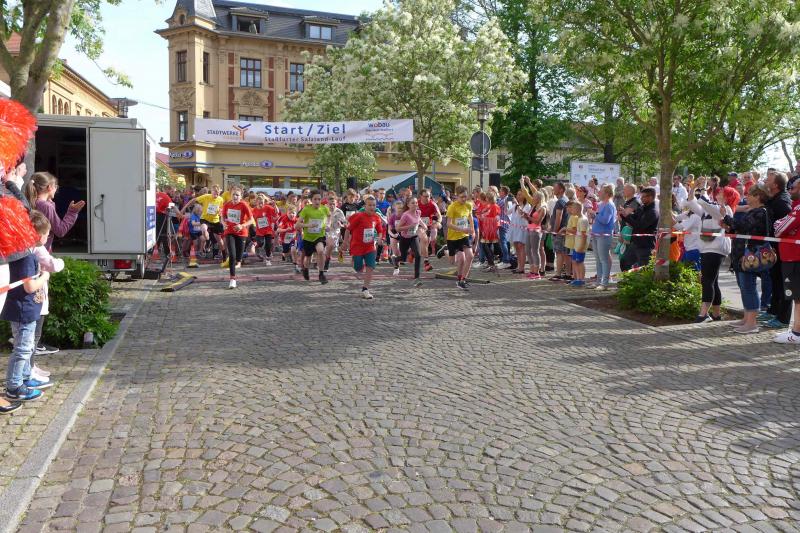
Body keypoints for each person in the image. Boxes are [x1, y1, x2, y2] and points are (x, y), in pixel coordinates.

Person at [3, 214, 53, 402]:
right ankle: (14, 386)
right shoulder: (26, 256)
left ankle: (25, 377)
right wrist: (44, 276)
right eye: (47, 234)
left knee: (27, 345)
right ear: (38, 235)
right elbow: (29, 287)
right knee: (23, 349)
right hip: (23, 310)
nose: (48, 237)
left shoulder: (24, 253)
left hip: (26, 309)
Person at [685, 188, 733, 322]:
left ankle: (704, 313)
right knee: (713, 281)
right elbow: (692, 203)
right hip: (706, 248)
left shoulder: (725, 209)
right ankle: (716, 314)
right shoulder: (708, 210)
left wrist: (702, 192)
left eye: (722, 193)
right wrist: (692, 190)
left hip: (715, 249)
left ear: (727, 197)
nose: (718, 194)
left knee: (707, 280)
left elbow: (705, 204)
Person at [762, 171, 793, 329]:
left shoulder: (782, 201)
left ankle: (782, 318)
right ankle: (773, 310)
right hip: (773, 247)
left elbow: (787, 224)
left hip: (783, 249)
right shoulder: (773, 198)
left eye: (768, 180)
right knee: (775, 280)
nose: (765, 181)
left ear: (775, 185)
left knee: (783, 283)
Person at [25, 172, 86, 252]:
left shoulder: (31, 202)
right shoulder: (46, 206)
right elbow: (60, 231)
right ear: (49, 187)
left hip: (29, 249)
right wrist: (72, 212)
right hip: (41, 251)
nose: (56, 189)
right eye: (56, 186)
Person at [773, 177, 800, 343]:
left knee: (798, 296)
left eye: (793, 188)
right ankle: (796, 329)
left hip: (796, 257)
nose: (790, 191)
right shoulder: (795, 206)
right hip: (792, 257)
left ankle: (797, 333)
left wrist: (782, 226)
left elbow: (779, 227)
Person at [344, 195, 385, 299]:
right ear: (365, 206)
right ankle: (356, 264)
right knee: (358, 267)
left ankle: (365, 289)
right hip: (357, 246)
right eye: (369, 205)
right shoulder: (359, 216)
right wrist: (345, 242)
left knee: (370, 267)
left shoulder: (376, 217)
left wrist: (380, 238)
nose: (372, 207)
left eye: (374, 205)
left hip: (370, 247)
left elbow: (380, 230)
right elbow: (348, 229)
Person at [221, 187, 254, 289]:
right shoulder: (227, 205)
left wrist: (242, 225)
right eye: (233, 194)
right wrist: (223, 223)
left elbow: (251, 220)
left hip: (241, 233)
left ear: (241, 196)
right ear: (230, 195)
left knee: (238, 256)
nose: (235, 196)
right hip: (229, 231)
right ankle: (232, 279)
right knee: (232, 255)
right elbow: (222, 217)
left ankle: (239, 260)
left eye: (237, 195)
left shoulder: (244, 205)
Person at [182, 185, 225, 260]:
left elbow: (222, 208)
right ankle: (206, 236)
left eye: (217, 192)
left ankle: (224, 255)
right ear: (211, 191)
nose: (216, 194)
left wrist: (220, 212)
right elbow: (193, 200)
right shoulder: (206, 196)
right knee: (204, 229)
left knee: (219, 240)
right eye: (214, 192)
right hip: (205, 219)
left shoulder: (221, 199)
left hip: (215, 220)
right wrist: (183, 209)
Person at [620, 187, 659, 268]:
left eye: (644, 196)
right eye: (641, 196)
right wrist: (623, 214)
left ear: (651, 197)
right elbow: (634, 217)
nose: (641, 198)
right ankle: (629, 276)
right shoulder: (642, 208)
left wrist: (627, 216)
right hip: (636, 242)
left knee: (643, 268)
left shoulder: (653, 212)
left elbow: (640, 226)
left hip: (646, 246)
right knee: (624, 262)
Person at [296, 191, 330, 284]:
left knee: (321, 251)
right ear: (311, 200)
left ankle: (321, 274)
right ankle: (306, 269)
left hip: (320, 236)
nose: (317, 201)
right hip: (308, 237)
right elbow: (297, 225)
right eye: (315, 199)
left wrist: (328, 225)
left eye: (319, 199)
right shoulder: (306, 209)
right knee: (308, 257)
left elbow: (329, 217)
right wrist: (308, 225)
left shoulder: (324, 208)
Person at [446, 185, 476, 290]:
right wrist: (462, 229)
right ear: (456, 196)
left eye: (465, 196)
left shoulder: (468, 205)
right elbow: (448, 224)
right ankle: (445, 250)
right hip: (453, 237)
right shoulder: (452, 207)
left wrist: (473, 230)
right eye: (461, 197)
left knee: (469, 256)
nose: (464, 199)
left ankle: (462, 280)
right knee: (453, 261)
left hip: (464, 236)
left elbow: (470, 217)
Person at [394, 196, 426, 285]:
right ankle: (396, 259)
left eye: (416, 202)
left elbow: (419, 220)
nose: (415, 204)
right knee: (403, 258)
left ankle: (417, 277)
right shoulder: (405, 215)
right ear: (408, 205)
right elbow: (398, 229)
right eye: (413, 203)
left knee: (418, 255)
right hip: (404, 238)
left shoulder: (418, 212)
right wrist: (409, 226)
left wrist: (424, 225)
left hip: (414, 237)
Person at [591, 184, 617, 290]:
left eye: (601, 191)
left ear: (606, 194)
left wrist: (595, 214)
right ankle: (599, 282)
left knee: (604, 259)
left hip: (604, 235)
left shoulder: (609, 205)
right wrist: (594, 214)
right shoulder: (601, 204)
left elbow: (605, 220)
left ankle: (604, 283)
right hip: (596, 234)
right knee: (598, 259)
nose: (599, 193)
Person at [549, 182, 571, 280]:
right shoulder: (565, 200)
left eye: (555, 188)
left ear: (561, 189)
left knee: (559, 253)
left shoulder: (560, 201)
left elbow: (559, 217)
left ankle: (558, 274)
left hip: (560, 231)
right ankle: (567, 273)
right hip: (563, 230)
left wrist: (555, 231)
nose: (553, 189)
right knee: (565, 253)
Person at [565, 201, 590, 287]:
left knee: (580, 262)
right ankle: (578, 278)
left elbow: (584, 235)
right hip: (577, 244)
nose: (571, 210)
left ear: (577, 209)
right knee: (576, 262)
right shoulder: (579, 219)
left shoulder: (583, 220)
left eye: (572, 209)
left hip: (580, 246)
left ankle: (581, 279)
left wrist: (581, 246)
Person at [477, 190, 502, 274]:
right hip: (487, 228)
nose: (486, 198)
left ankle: (491, 264)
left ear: (489, 198)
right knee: (486, 246)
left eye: (487, 197)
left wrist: (483, 217)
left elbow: (495, 218)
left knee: (486, 246)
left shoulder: (494, 206)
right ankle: (490, 264)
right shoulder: (490, 206)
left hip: (490, 229)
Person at [508, 189, 531, 275]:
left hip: (522, 228)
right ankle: (518, 266)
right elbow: (507, 212)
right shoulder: (515, 205)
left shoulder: (527, 206)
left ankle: (522, 267)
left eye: (520, 194)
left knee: (521, 247)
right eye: (517, 194)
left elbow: (522, 214)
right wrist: (507, 202)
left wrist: (517, 205)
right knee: (516, 247)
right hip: (515, 228)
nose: (518, 196)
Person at [252, 195, 278, 266]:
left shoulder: (268, 207)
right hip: (259, 230)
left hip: (268, 230)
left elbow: (275, 213)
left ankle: (268, 259)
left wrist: (275, 205)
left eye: (262, 203)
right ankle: (257, 247)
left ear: (264, 202)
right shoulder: (254, 210)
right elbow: (251, 218)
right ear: (256, 203)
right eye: (259, 203)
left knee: (268, 245)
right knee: (260, 243)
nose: (261, 204)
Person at [417, 189, 439, 271]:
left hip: (428, 226)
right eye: (425, 196)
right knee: (424, 239)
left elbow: (439, 215)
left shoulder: (432, 204)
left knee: (425, 244)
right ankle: (426, 263)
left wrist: (437, 222)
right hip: (417, 225)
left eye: (428, 196)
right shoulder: (416, 203)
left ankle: (413, 252)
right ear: (421, 196)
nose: (427, 198)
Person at [324, 191, 346, 271]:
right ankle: (326, 260)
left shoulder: (339, 211)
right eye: (330, 204)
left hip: (335, 232)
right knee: (329, 246)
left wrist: (342, 225)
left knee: (331, 246)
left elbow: (344, 222)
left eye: (334, 204)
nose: (332, 206)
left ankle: (329, 258)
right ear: (327, 204)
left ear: (336, 203)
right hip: (326, 231)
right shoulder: (324, 210)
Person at [497, 186, 514, 267]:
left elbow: (495, 206)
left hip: (503, 224)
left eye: (500, 191)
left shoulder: (503, 200)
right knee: (506, 242)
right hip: (507, 223)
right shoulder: (508, 200)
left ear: (503, 192)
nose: (499, 193)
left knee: (503, 242)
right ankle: (506, 259)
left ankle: (506, 261)